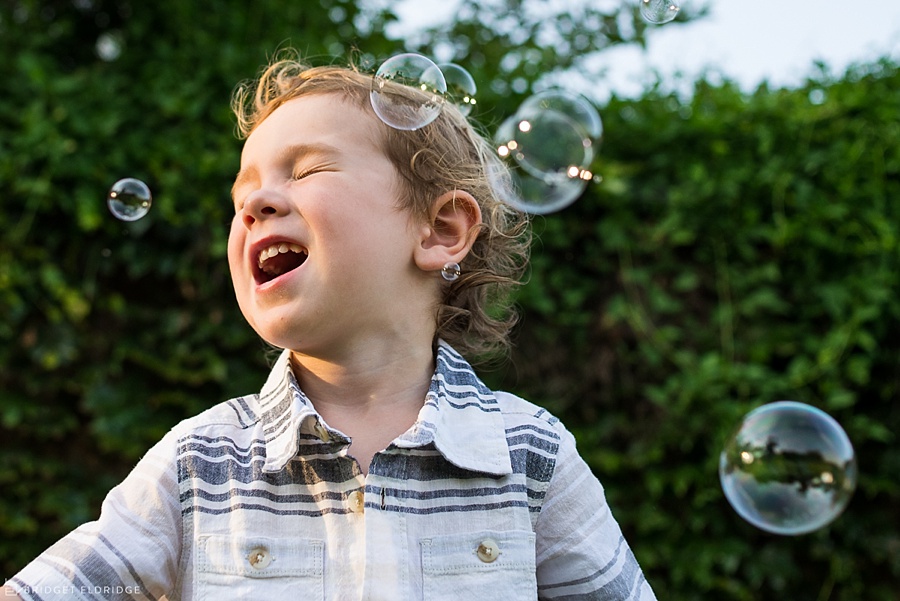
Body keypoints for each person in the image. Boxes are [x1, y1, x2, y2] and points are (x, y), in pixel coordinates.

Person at [3, 51, 657, 600]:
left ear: (440, 229)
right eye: (242, 196)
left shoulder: (529, 454)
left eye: (307, 169)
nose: (255, 204)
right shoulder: (199, 462)